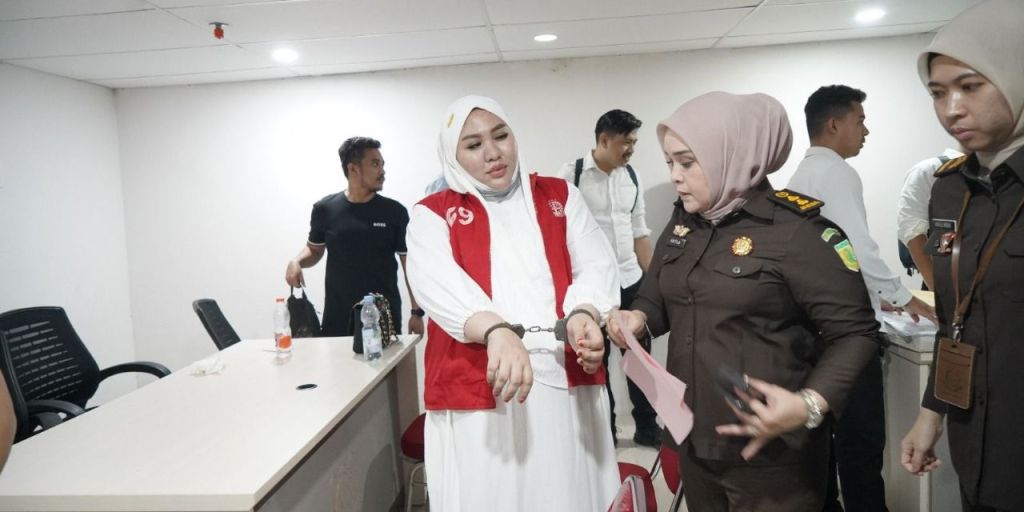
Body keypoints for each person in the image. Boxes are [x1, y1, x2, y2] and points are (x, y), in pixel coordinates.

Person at [608, 91, 884, 512]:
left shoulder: (796, 231)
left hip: (772, 455)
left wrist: (809, 404)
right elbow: (658, 295)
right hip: (695, 440)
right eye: (669, 163)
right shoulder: (684, 223)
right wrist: (639, 317)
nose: (676, 176)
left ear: (731, 156)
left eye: (687, 162)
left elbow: (857, 333)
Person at [406, 95, 621, 511]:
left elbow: (596, 264)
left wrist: (584, 312)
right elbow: (437, 284)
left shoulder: (560, 196)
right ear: (452, 156)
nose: (493, 153)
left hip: (562, 382)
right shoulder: (433, 214)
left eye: (501, 136)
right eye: (473, 145)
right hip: (481, 390)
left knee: (567, 491)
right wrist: (495, 331)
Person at [788, 84, 936, 512]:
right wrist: (905, 298)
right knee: (862, 444)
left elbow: (832, 253)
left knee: (826, 444)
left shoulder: (803, 175)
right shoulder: (836, 172)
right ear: (834, 125)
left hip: (814, 329)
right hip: (847, 335)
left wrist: (879, 295)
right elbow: (856, 248)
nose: (866, 130)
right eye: (860, 120)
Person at [901, 1, 1024, 510]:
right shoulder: (950, 190)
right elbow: (958, 319)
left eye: (970, 86)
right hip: (976, 447)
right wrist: (931, 414)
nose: (951, 109)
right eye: (938, 92)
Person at [557, 109, 659, 447]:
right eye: (626, 142)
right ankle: (607, 431)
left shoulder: (632, 176)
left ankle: (647, 427)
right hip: (593, 287)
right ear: (604, 140)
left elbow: (640, 232)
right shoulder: (571, 175)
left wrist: (653, 282)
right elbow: (559, 236)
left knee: (640, 360)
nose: (631, 149)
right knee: (596, 361)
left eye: (634, 142)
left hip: (630, 280)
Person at [285, 137, 423, 337]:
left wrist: (416, 312)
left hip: (383, 317)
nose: (382, 171)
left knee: (388, 359)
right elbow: (315, 249)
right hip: (338, 317)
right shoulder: (325, 209)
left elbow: (408, 263)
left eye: (382, 164)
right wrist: (296, 261)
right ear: (353, 169)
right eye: (375, 164)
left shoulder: (395, 212)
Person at [897, 149, 964, 291]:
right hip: (946, 280)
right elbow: (912, 232)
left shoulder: (1004, 173)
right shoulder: (929, 170)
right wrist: (940, 292)